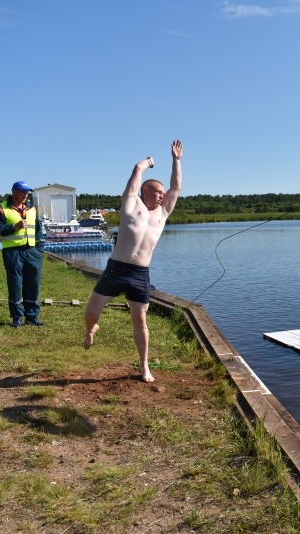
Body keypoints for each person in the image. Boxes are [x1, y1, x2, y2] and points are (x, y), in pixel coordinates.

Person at [84, 140, 183, 382]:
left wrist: (176, 160)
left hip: (140, 273)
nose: (162, 196)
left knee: (140, 319)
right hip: (117, 268)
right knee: (91, 312)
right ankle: (91, 329)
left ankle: (144, 365)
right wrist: (146, 164)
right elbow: (135, 173)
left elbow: (176, 188)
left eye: (162, 193)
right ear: (145, 191)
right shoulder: (131, 204)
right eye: (158, 192)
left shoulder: (162, 213)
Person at [0, 180, 45, 327]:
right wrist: (14, 227)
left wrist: (40, 247)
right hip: (13, 252)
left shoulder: (31, 208)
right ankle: (17, 317)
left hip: (32, 251)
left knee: (33, 283)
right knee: (15, 283)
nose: (26, 195)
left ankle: (32, 316)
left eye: (27, 192)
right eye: (23, 192)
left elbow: (38, 229)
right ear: (14, 192)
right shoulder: (1, 209)